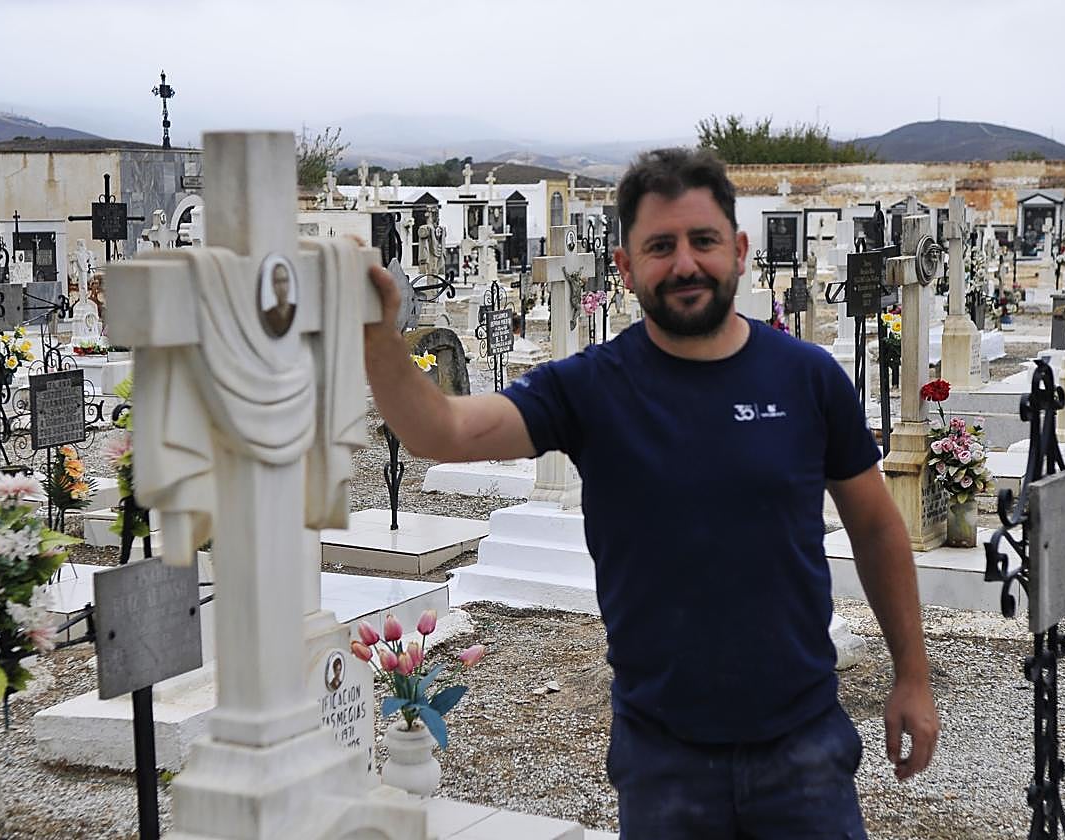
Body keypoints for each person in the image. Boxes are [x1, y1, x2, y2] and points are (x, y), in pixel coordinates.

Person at [363, 148, 938, 838]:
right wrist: (377, 335)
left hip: (803, 745)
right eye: (660, 247)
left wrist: (912, 673)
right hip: (664, 755)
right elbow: (443, 432)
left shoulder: (807, 379)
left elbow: (875, 528)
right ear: (627, 266)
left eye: (704, 240)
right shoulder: (590, 389)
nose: (686, 263)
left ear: (740, 250)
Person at [262, 261, 295, 337]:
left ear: (289, 284)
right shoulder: (267, 316)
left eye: (284, 281)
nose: (282, 288)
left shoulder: (296, 311)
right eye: (278, 282)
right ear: (273, 286)